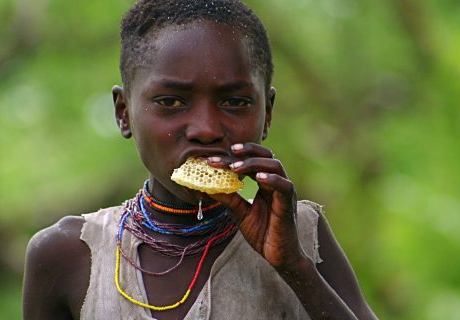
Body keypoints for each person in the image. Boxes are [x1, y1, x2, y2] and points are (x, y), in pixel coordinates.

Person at [22, 0, 378, 319]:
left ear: (267, 114)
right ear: (124, 113)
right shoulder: (70, 254)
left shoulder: (301, 234)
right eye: (171, 102)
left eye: (235, 102)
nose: (206, 129)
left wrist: (296, 268)